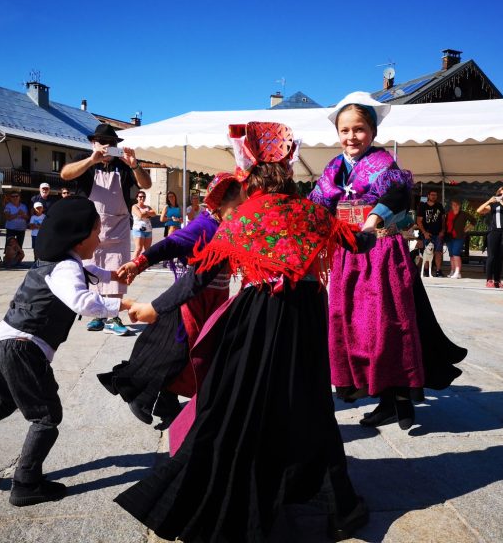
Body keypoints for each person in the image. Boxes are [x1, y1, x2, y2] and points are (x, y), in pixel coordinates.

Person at [115, 121, 372, 542]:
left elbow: (199, 275)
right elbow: (357, 243)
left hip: (257, 318)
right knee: (308, 405)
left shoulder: (244, 218)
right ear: (288, 171)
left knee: (234, 404)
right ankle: (332, 501)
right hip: (306, 317)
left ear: (249, 178)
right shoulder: (313, 212)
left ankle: (231, 491)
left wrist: (154, 306)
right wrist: (383, 222)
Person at [0, 196, 134, 507]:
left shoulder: (59, 261)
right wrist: (122, 305)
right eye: (96, 231)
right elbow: (81, 301)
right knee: (47, 417)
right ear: (78, 236)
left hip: (1, 340)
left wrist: (111, 276)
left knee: (3, 400)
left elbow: (87, 270)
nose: (100, 237)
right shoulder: (66, 268)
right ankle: (26, 483)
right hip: (24, 347)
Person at [309, 92, 466, 429]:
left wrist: (372, 220)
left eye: (359, 129)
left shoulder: (382, 164)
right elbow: (317, 208)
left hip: (380, 251)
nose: (352, 137)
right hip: (348, 255)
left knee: (387, 325)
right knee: (355, 326)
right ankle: (381, 395)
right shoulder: (333, 168)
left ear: (373, 132)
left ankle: (399, 398)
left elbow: (398, 194)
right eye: (345, 130)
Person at [97, 174, 243, 430]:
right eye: (238, 206)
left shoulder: (232, 227)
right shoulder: (205, 226)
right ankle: (143, 397)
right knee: (177, 353)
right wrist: (139, 262)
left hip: (216, 299)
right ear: (220, 202)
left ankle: (167, 402)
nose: (243, 211)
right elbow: (172, 243)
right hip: (192, 299)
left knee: (195, 354)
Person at [60, 123, 152, 336]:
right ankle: (98, 315)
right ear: (94, 143)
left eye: (111, 143)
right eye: (102, 142)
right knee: (92, 271)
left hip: (118, 227)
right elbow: (65, 174)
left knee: (118, 271)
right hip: (92, 227)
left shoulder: (123, 166)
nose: (106, 147)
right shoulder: (84, 161)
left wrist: (135, 165)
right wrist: (92, 160)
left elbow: (145, 185)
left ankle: (113, 316)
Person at [476, 185, 503, 288]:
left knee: (500, 258)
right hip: (494, 232)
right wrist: (489, 201)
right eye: (500, 194)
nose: (502, 195)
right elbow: (479, 211)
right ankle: (489, 280)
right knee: (492, 256)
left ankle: (497, 281)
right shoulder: (494, 206)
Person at [416, 188, 446, 277]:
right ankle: (426, 271)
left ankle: (438, 271)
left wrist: (443, 230)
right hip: (427, 233)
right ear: (428, 196)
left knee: (438, 252)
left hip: (438, 233)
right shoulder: (423, 206)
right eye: (432, 195)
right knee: (427, 252)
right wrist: (424, 232)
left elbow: (443, 219)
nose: (434, 196)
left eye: (435, 195)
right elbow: (419, 221)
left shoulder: (439, 206)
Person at [444, 198, 476, 279]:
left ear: (460, 206)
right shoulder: (448, 214)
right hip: (449, 236)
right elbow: (445, 225)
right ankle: (452, 270)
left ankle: (458, 272)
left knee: (456, 254)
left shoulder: (463, 214)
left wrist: (467, 228)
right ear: (451, 206)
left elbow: (473, 220)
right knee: (451, 255)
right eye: (454, 205)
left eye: (457, 205)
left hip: (459, 236)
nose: (455, 206)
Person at [130, 191, 156, 260]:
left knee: (147, 250)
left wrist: (146, 212)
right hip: (138, 230)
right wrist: (148, 214)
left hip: (148, 230)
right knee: (139, 249)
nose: (142, 198)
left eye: (143, 196)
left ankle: (144, 264)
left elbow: (154, 214)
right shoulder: (134, 206)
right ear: (137, 198)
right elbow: (140, 215)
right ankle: (133, 264)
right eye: (140, 197)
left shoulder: (148, 207)